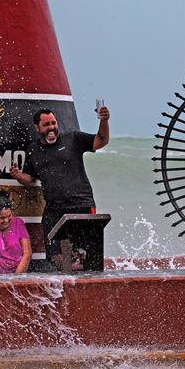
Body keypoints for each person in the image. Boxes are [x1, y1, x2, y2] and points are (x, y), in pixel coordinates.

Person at [10, 104, 110, 269]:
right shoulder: (33, 149)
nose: (51, 128)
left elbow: (102, 140)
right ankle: (62, 286)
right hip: (53, 209)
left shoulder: (73, 139)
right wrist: (19, 176)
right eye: (46, 124)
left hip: (81, 205)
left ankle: (87, 284)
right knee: (55, 257)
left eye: (53, 123)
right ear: (37, 128)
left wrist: (104, 121)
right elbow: (31, 179)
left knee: (84, 256)